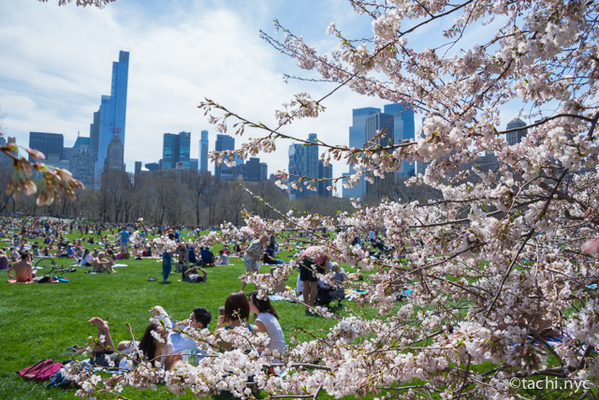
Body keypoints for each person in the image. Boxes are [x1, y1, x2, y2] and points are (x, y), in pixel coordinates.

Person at [88, 317, 177, 371]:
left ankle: (104, 330)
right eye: (161, 333)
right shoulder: (143, 354)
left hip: (124, 356)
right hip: (118, 362)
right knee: (95, 358)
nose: (165, 335)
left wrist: (173, 360)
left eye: (166, 332)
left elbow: (167, 370)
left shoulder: (168, 346)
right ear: (153, 339)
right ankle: (102, 329)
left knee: (109, 351)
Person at [248, 291, 286, 358]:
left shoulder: (260, 320)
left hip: (272, 361)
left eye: (250, 300)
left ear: (257, 303)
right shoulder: (268, 315)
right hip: (280, 357)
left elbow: (261, 347)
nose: (248, 303)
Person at [299, 246, 330, 311]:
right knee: (313, 285)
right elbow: (327, 268)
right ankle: (311, 306)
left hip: (302, 259)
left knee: (305, 284)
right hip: (312, 260)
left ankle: (306, 307)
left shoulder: (315, 248)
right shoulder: (326, 253)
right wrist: (325, 276)